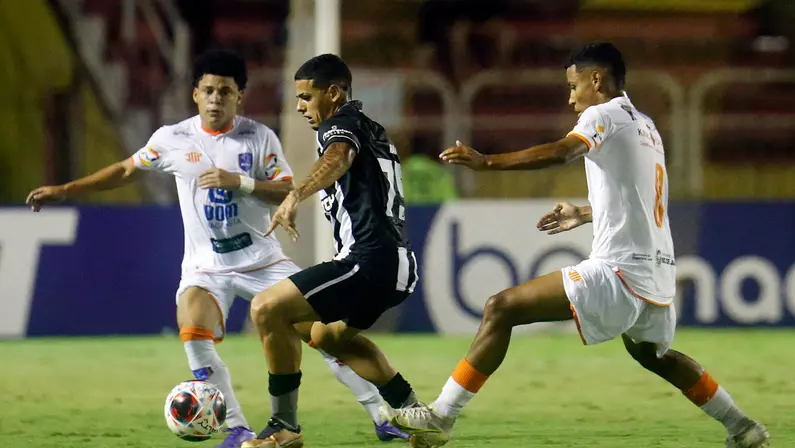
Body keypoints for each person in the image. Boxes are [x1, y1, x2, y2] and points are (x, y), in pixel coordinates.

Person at [382, 42, 771, 448]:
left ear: (596, 80)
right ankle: (743, 428)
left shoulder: (602, 115)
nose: (571, 98)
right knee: (653, 356)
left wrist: (487, 162)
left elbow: (561, 152)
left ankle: (442, 416)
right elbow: (638, 197)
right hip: (655, 271)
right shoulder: (646, 124)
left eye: (573, 86)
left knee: (501, 307)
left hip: (618, 270)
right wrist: (587, 213)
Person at [25, 49, 408, 448]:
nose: (215, 99)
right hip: (206, 267)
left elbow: (285, 191)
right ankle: (237, 428)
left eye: (225, 91)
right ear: (194, 94)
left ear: (239, 96)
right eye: (207, 90)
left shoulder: (259, 138)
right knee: (192, 326)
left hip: (264, 261)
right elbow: (124, 170)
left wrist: (239, 182)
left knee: (322, 336)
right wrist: (65, 189)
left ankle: (381, 414)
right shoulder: (171, 139)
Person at [241, 54, 420, 448]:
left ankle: (283, 426)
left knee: (266, 309)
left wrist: (296, 194)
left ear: (334, 93)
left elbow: (338, 155)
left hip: (368, 259)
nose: (301, 107)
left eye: (306, 97)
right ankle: (415, 415)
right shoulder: (372, 128)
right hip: (397, 263)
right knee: (326, 335)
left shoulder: (339, 127)